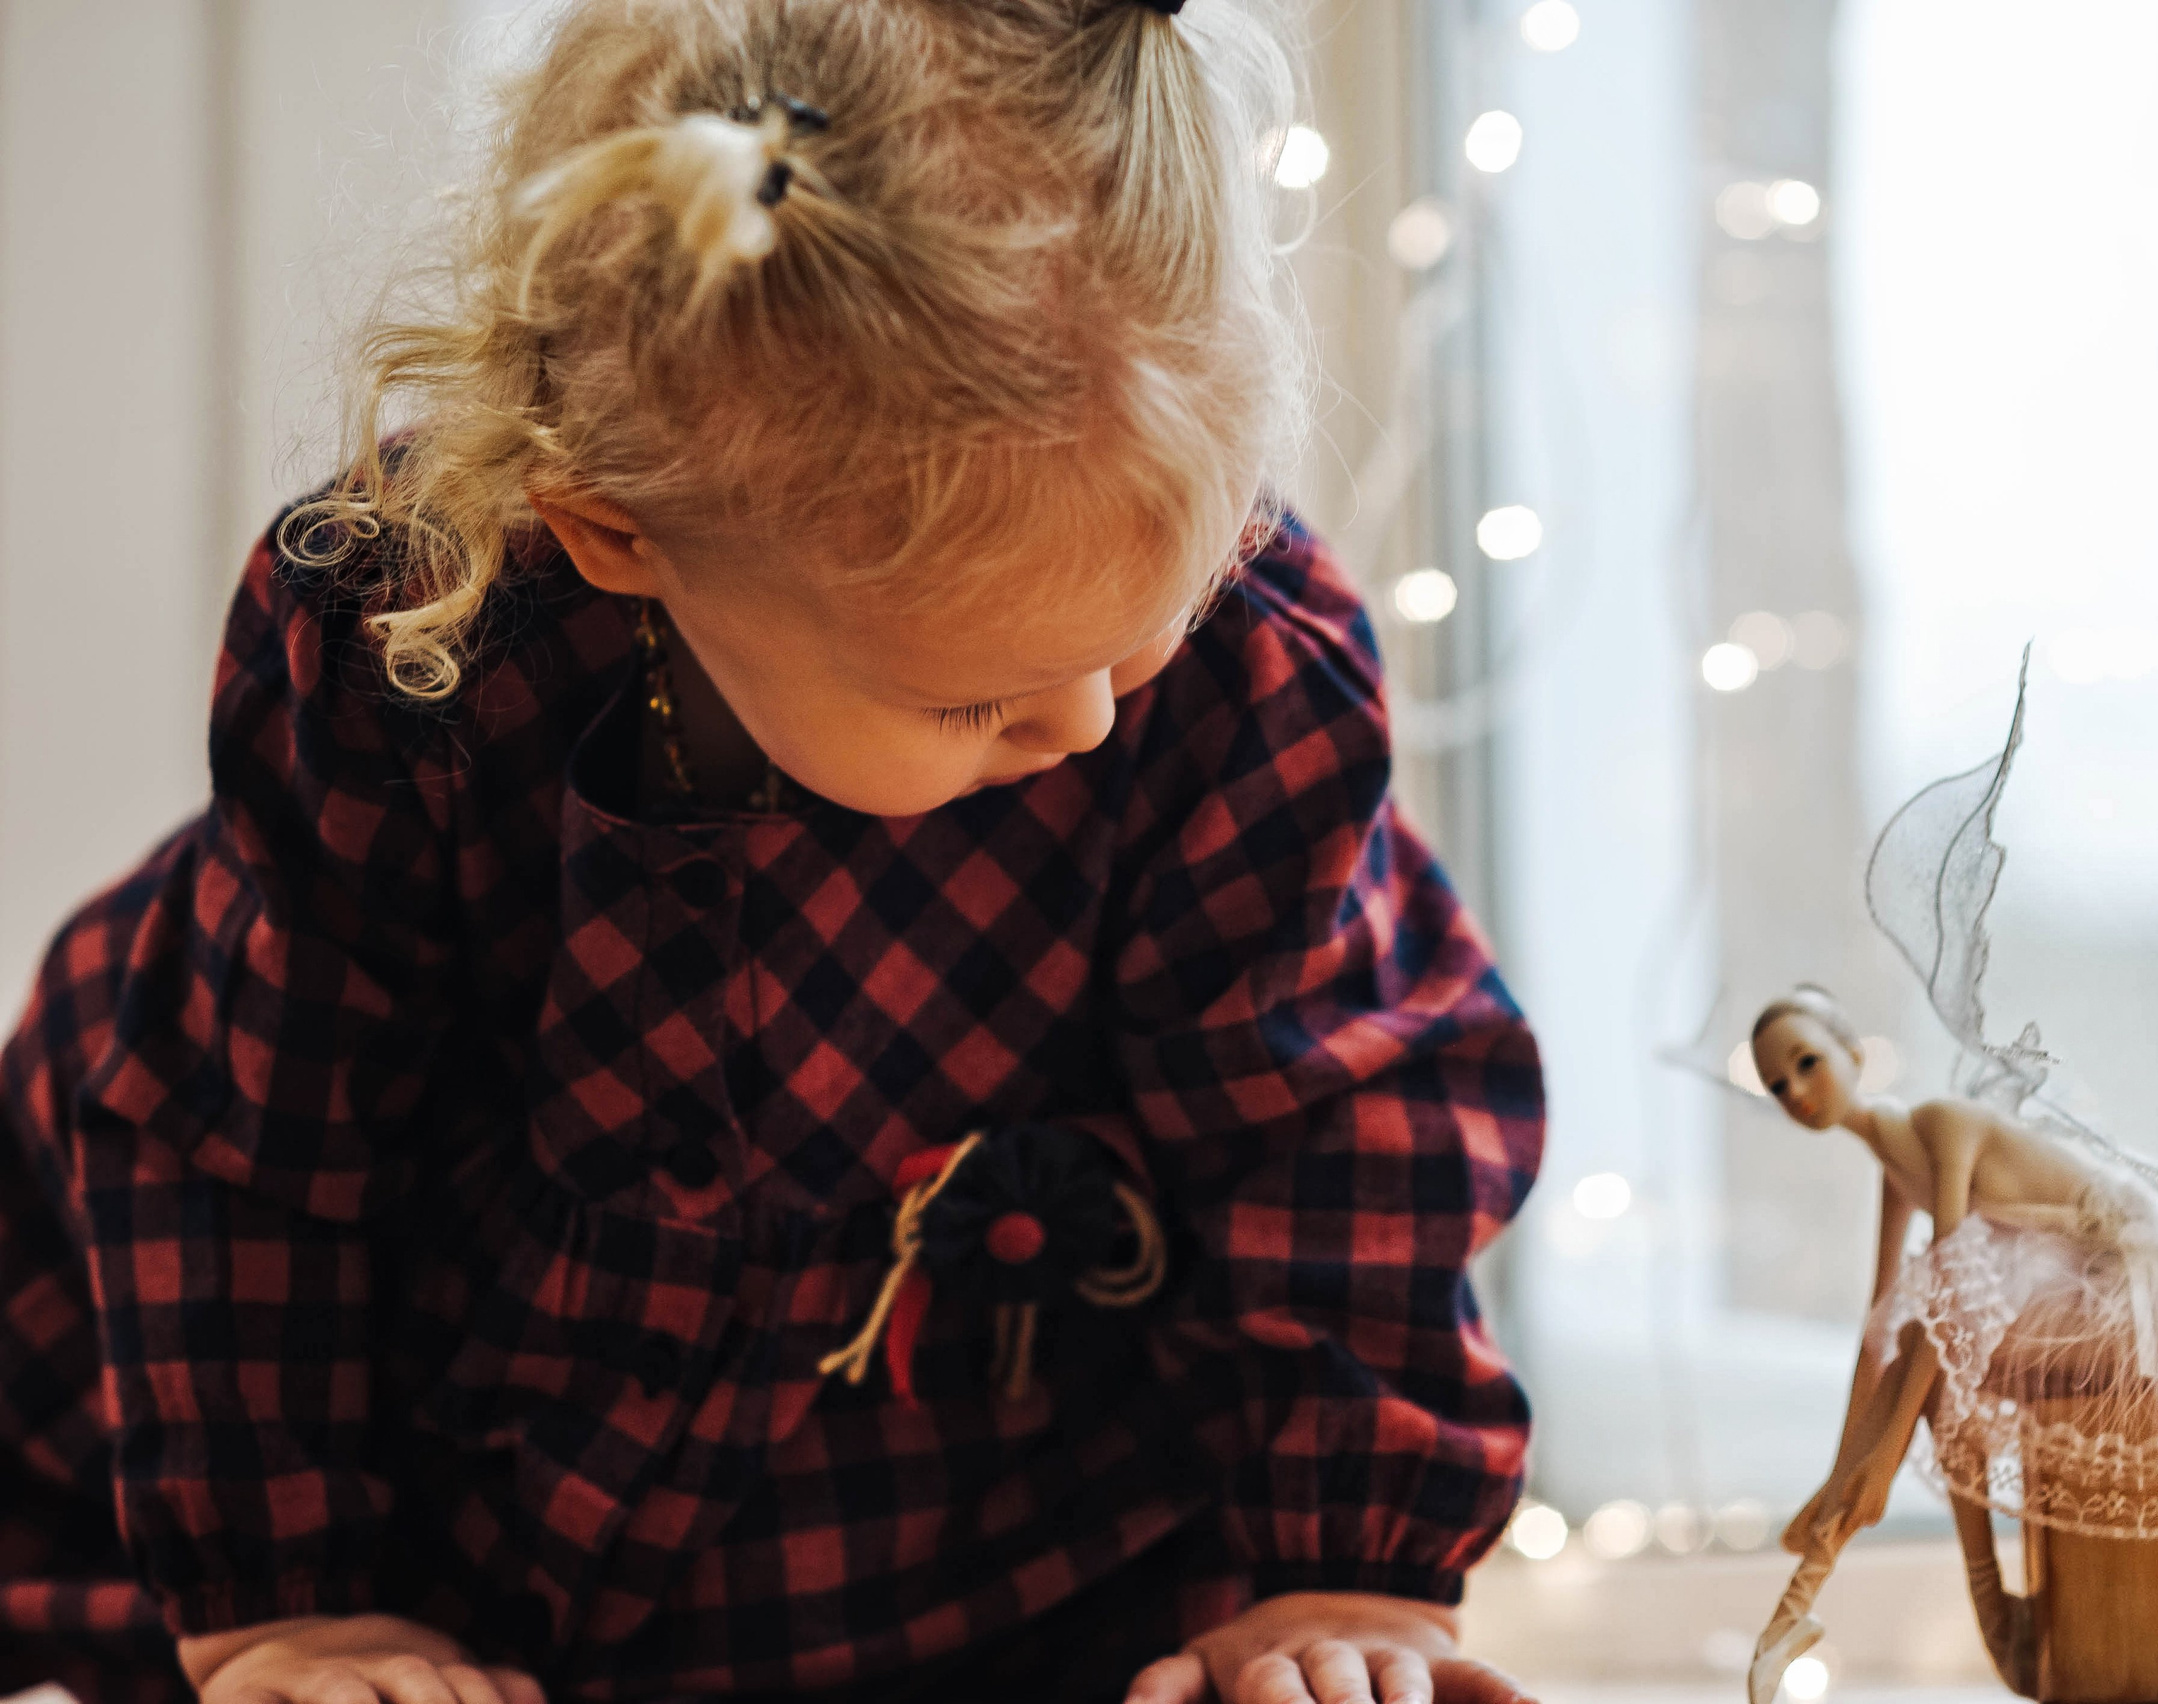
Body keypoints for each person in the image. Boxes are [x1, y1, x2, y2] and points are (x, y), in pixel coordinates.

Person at [0, 4, 1545, 1701]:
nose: (1092, 723)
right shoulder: (403, 648)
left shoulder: (1246, 672)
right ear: (616, 529)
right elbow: (247, 1136)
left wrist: (1336, 1571)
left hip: (964, 1527)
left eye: (1140, 634)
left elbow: (1336, 1126)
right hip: (429, 1531)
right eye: (976, 692)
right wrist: (293, 1603)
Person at [1738, 984, 2158, 1701]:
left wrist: (1873, 1468)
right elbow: (1876, 1332)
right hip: (2071, 1297)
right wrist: (1840, 1469)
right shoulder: (1894, 1172)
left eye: (1807, 1063)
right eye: (1777, 1083)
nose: (1796, 1091)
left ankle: (1939, 1606)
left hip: (2132, 1299)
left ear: (1854, 1054)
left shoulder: (1941, 1124)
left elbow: (1950, 1289)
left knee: (1933, 1344)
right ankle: (1829, 1595)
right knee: (1918, 1343)